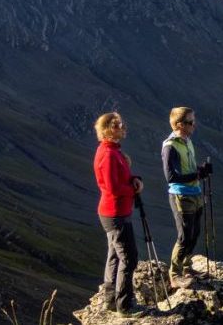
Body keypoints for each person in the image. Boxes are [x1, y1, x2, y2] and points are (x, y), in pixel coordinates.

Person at [92, 112, 148, 317]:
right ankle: (125, 306)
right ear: (108, 129)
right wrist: (135, 189)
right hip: (115, 212)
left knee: (115, 255)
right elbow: (114, 188)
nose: (124, 127)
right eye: (118, 125)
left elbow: (119, 179)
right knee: (129, 258)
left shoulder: (112, 151)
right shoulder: (108, 155)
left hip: (114, 211)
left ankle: (110, 299)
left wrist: (132, 178)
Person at [162, 107, 213, 283]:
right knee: (184, 235)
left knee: (195, 232)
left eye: (194, 121)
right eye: (190, 122)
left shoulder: (187, 141)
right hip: (181, 196)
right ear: (178, 125)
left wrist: (200, 170)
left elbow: (187, 169)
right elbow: (171, 177)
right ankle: (175, 274)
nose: (194, 125)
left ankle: (186, 267)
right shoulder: (170, 146)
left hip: (195, 193)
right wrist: (197, 175)